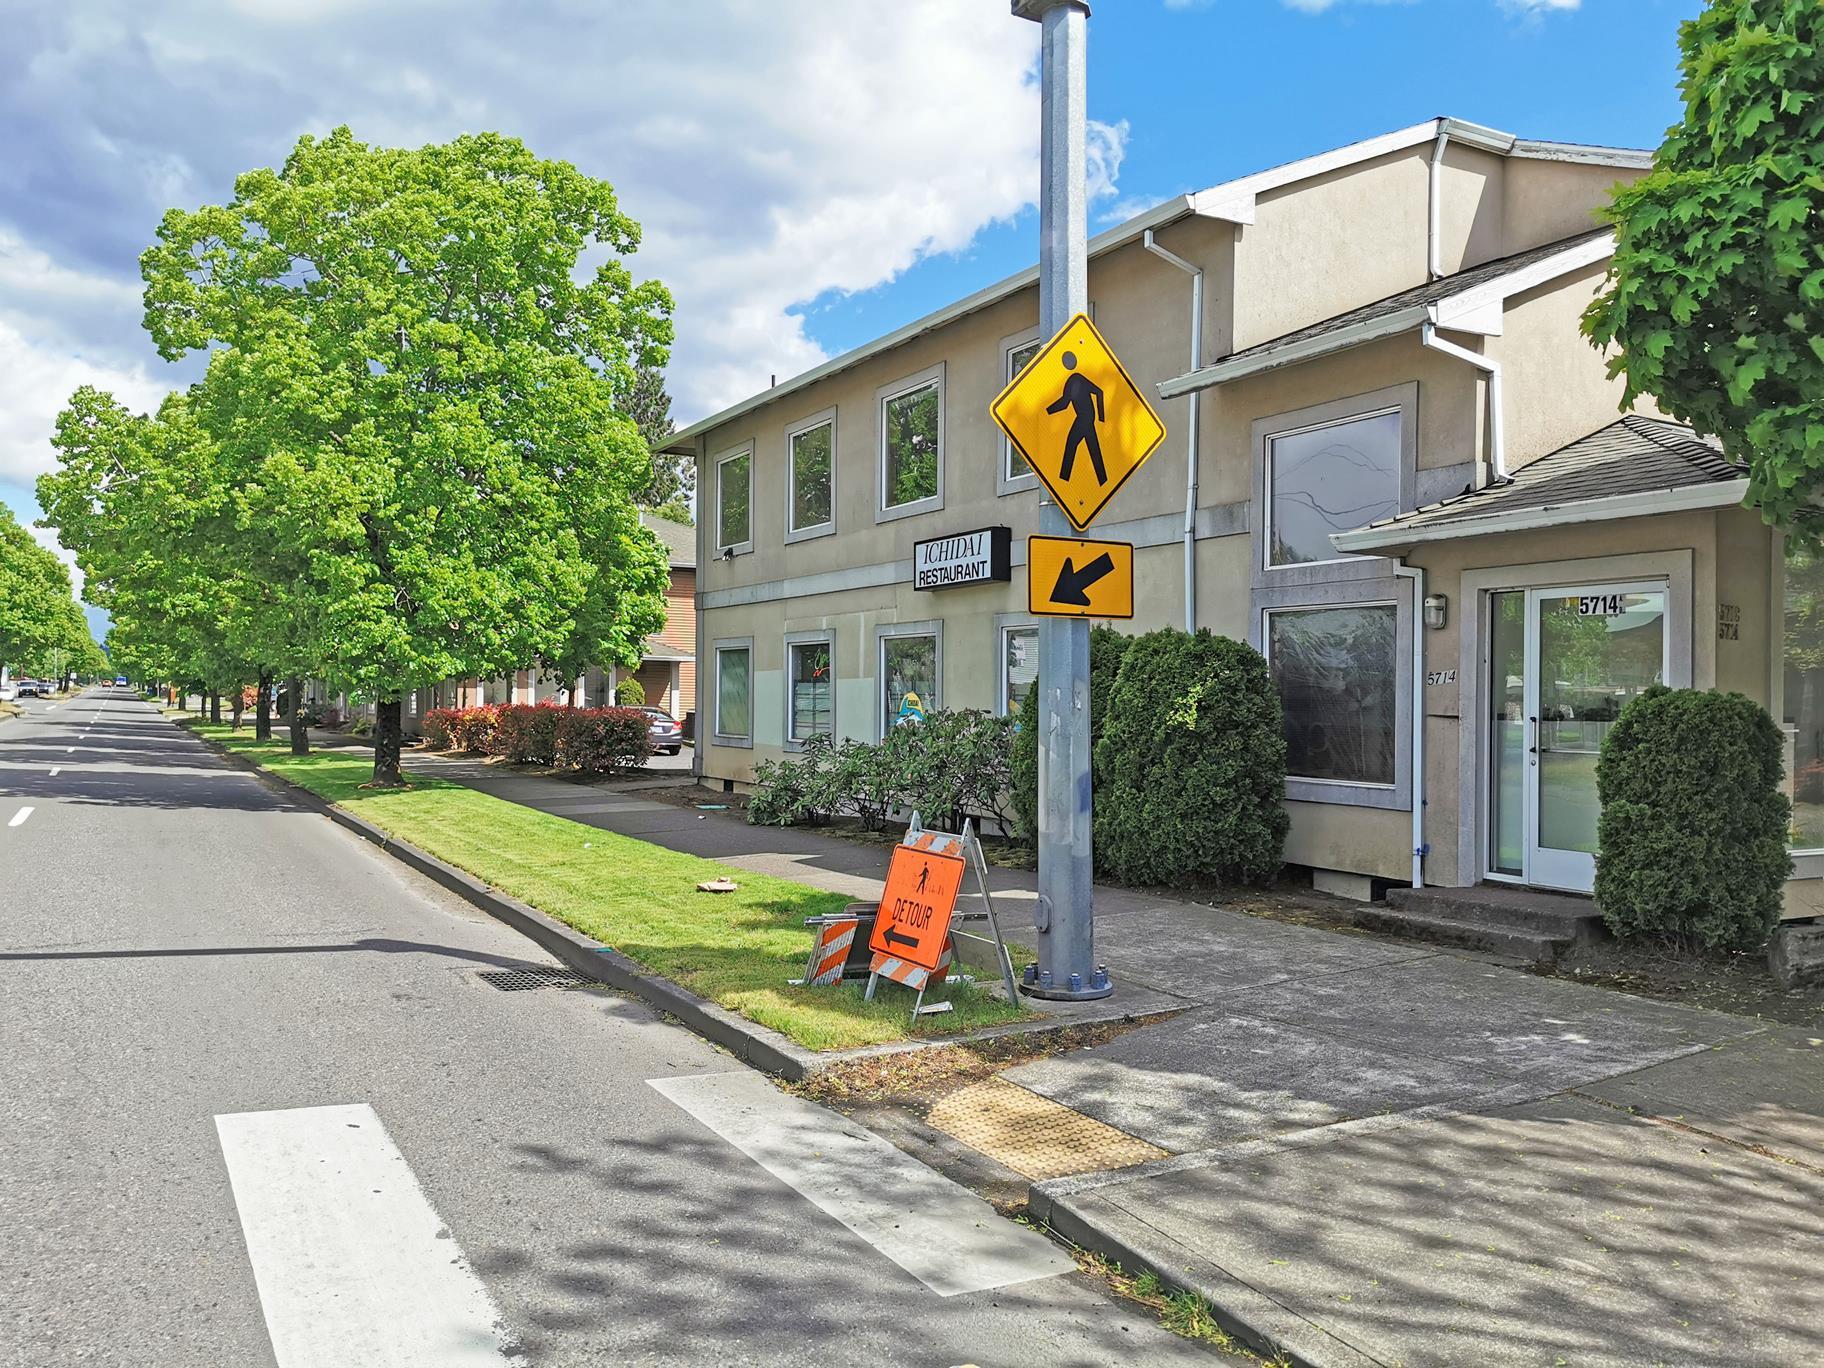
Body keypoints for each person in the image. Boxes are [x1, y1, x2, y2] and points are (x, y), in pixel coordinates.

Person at [1046, 350, 1106, 484]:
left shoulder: (1076, 379)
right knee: (1092, 448)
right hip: (1086, 418)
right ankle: (1102, 480)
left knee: (1072, 444)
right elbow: (1065, 403)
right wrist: (1047, 411)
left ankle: (1064, 479)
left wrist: (1102, 418)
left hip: (1085, 418)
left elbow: (1099, 392)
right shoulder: (1073, 380)